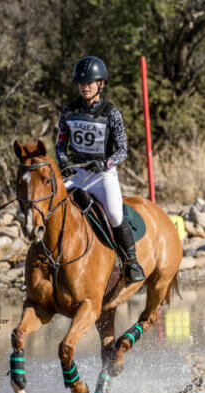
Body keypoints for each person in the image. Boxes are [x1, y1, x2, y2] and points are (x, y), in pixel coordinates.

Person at [56, 56, 145, 283]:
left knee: (115, 214)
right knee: (52, 207)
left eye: (90, 82)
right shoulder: (68, 112)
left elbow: (123, 150)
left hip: (102, 176)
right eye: (82, 83)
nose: (85, 87)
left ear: (101, 84)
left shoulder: (111, 113)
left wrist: (105, 163)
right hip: (77, 175)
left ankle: (131, 263)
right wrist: (64, 163)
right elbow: (60, 145)